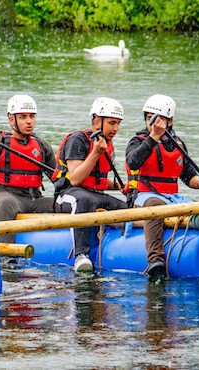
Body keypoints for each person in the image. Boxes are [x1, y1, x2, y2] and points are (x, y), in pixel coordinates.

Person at [125, 94, 199, 280]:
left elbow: (189, 177)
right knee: (155, 207)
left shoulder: (177, 143)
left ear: (170, 121)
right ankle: (155, 260)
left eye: (158, 119)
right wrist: (153, 138)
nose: (154, 123)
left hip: (172, 199)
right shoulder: (138, 140)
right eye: (150, 118)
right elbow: (132, 162)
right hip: (145, 197)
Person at [0, 94, 56, 244]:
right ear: (11, 119)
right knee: (6, 204)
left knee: (62, 202)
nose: (29, 121)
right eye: (22, 117)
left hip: (34, 198)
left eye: (32, 116)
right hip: (4, 195)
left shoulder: (42, 146)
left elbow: (58, 180)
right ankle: (8, 257)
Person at [52, 97, 127, 272]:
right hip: (68, 195)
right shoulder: (78, 140)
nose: (116, 128)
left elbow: (98, 179)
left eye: (118, 124)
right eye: (111, 123)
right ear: (96, 122)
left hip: (94, 195)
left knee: (125, 207)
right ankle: (81, 255)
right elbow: (76, 179)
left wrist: (119, 187)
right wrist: (94, 153)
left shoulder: (107, 145)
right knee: (84, 200)